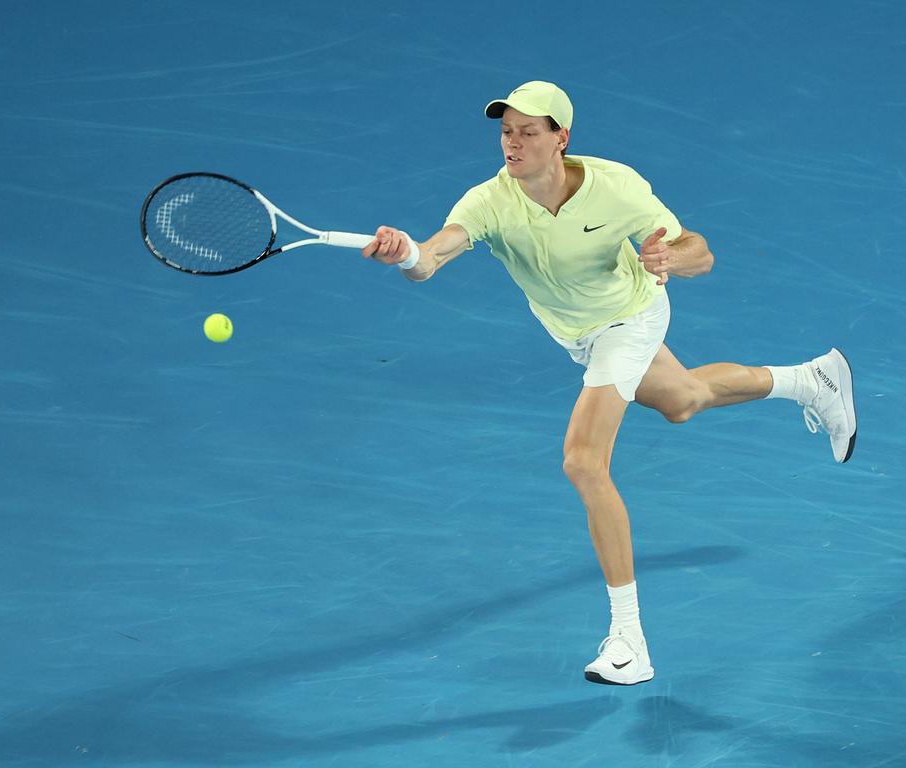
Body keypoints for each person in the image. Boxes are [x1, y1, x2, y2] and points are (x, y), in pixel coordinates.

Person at [361, 81, 857, 686]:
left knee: (583, 461)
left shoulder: (615, 186)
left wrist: (672, 259)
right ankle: (811, 381)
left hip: (632, 317)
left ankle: (629, 639)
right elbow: (432, 259)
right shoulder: (489, 201)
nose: (512, 142)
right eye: (506, 130)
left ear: (561, 138)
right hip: (579, 334)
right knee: (682, 401)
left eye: (528, 131)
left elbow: (700, 251)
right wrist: (405, 252)